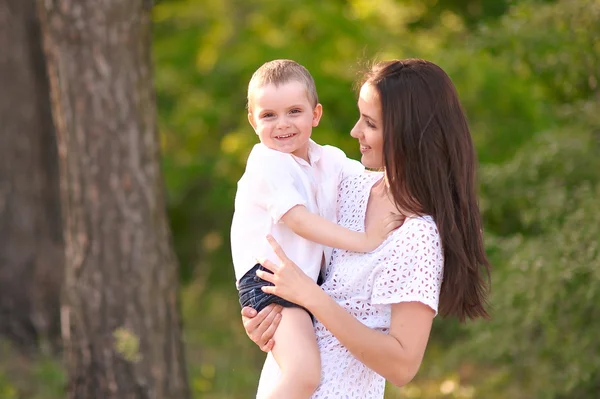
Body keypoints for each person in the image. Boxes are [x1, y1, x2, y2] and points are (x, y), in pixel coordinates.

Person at [241, 58, 491, 398]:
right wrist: (263, 316)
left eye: (370, 123)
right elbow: (274, 234)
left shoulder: (416, 234)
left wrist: (309, 296)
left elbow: (402, 367)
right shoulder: (350, 187)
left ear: (408, 134)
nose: (355, 132)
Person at [231, 59, 403, 399]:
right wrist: (365, 241)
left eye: (294, 111)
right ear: (253, 121)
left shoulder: (329, 160)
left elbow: (372, 185)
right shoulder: (267, 163)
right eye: (268, 115)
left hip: (304, 284)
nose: (282, 125)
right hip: (270, 282)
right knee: (304, 373)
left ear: (315, 115)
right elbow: (298, 221)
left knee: (302, 374)